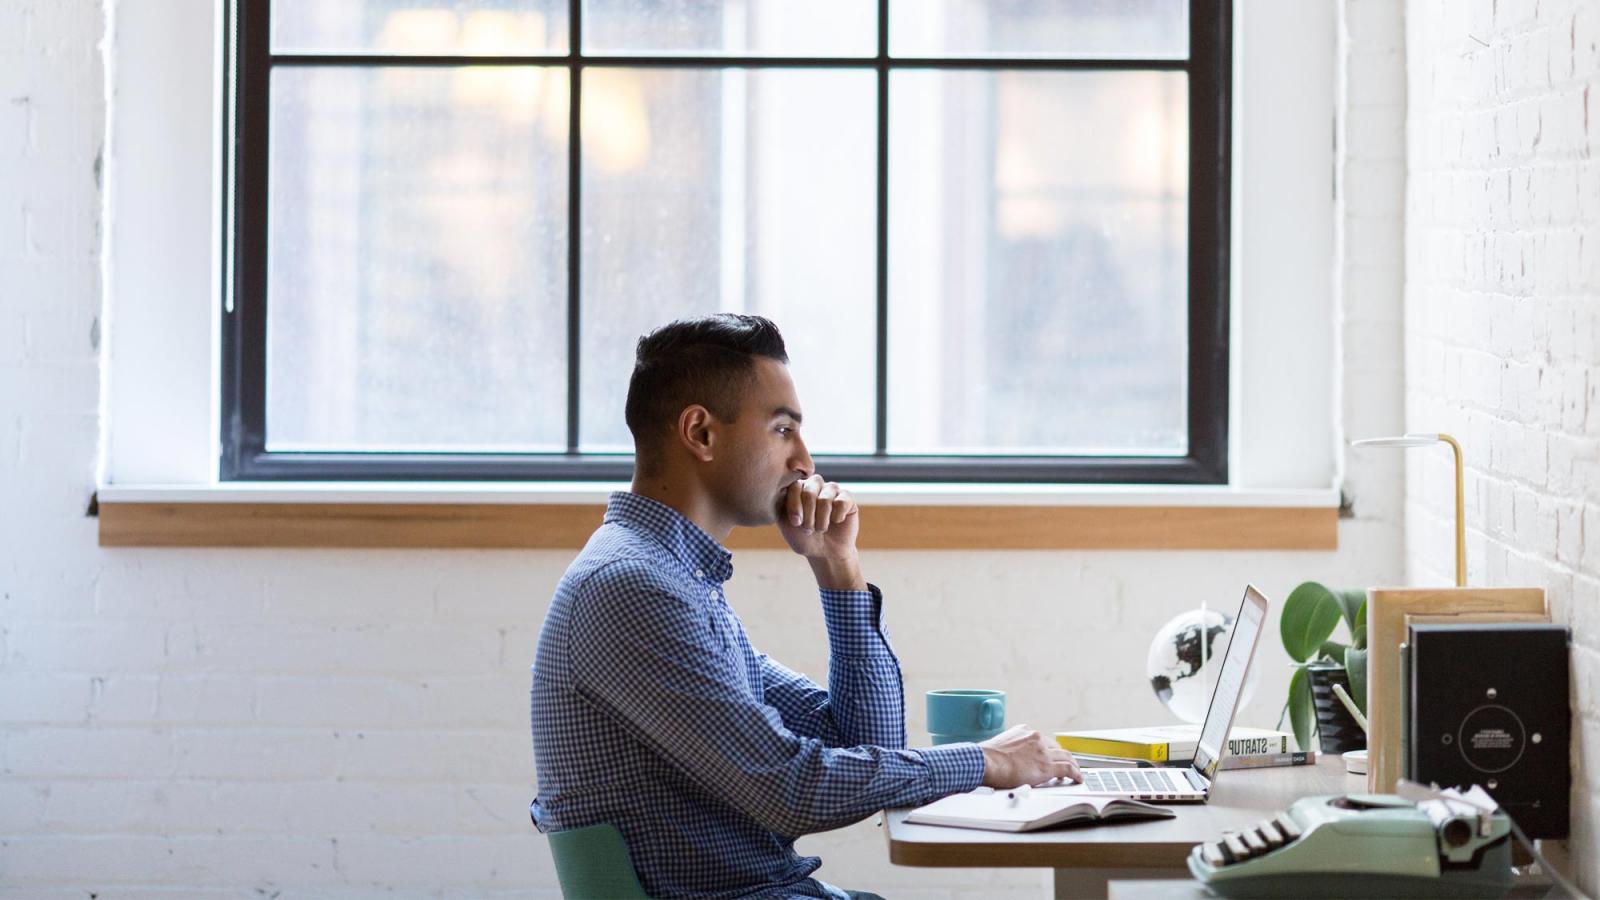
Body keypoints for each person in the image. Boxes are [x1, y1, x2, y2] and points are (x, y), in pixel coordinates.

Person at [530, 314, 1080, 898]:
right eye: (782, 430)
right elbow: (790, 791)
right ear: (701, 433)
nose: (806, 462)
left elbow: (868, 745)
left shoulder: (679, 582)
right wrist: (984, 762)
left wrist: (837, 567)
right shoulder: (634, 589)